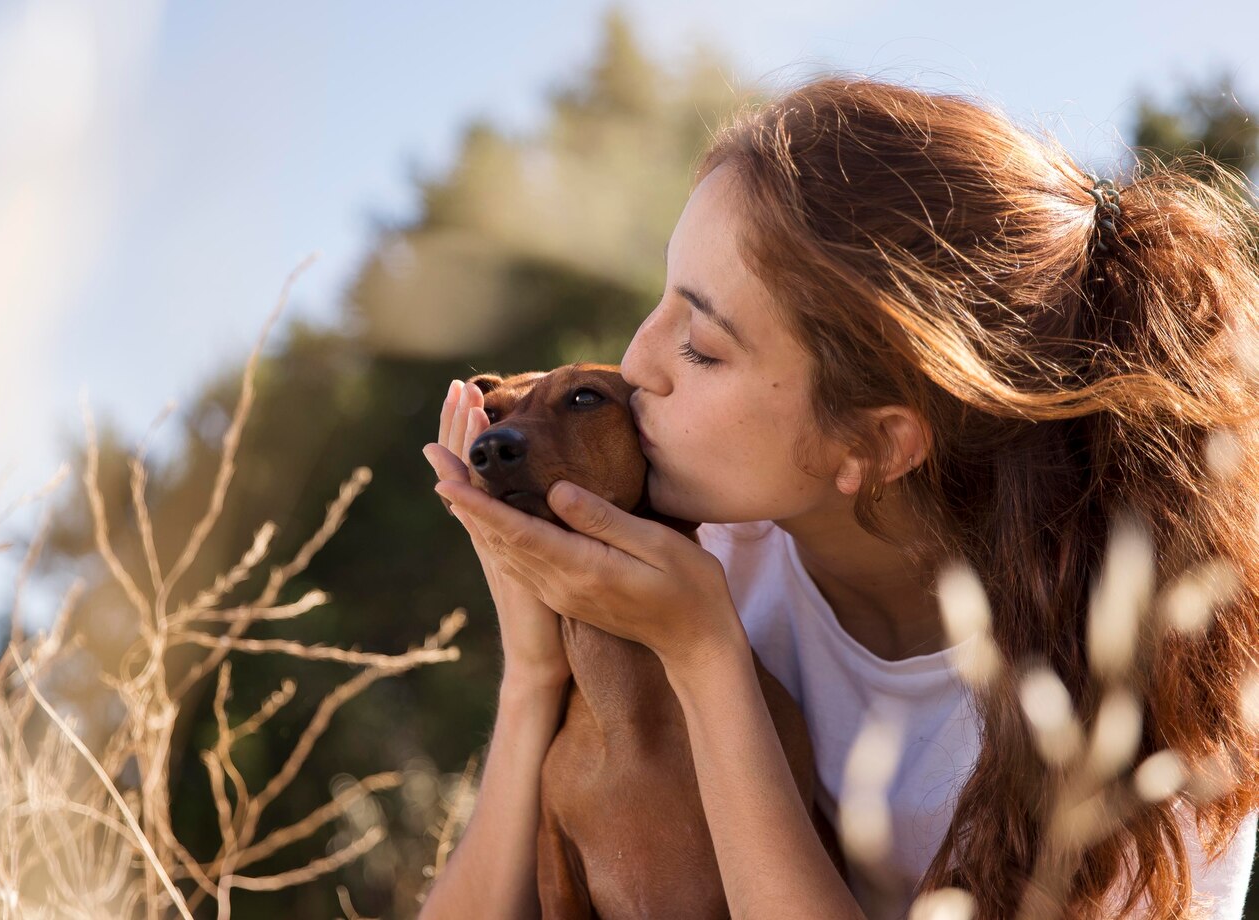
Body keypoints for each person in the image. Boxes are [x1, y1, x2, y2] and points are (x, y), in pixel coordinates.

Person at [418, 74, 1259, 919]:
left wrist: (709, 660)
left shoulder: (1161, 724)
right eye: (660, 298)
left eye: (702, 346)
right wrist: (535, 667)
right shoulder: (705, 541)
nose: (636, 364)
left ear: (876, 441)